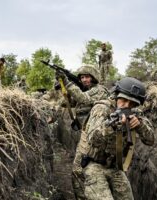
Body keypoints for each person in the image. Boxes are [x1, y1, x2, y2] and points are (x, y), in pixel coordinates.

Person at [77, 77, 154, 200]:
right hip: (95, 165)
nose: (126, 105)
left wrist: (140, 125)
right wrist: (112, 127)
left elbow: (150, 140)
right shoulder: (102, 108)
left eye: (132, 103)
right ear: (116, 96)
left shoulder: (135, 113)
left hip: (116, 167)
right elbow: (92, 139)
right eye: (123, 100)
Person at [55, 65, 109, 199]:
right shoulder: (82, 91)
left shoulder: (99, 90)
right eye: (82, 77)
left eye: (87, 77)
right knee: (80, 170)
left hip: (97, 136)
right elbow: (64, 103)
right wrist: (64, 87)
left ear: (94, 78)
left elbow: (84, 99)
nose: (84, 80)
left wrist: (68, 83)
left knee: (78, 170)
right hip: (87, 134)